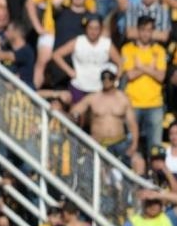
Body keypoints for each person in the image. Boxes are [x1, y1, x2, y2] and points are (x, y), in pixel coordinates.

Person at [70, 65, 141, 166]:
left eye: (110, 77)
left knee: (136, 163)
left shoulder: (123, 99)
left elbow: (132, 124)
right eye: (104, 77)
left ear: (115, 78)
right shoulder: (93, 98)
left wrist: (134, 145)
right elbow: (74, 112)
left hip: (119, 143)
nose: (107, 80)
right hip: (98, 143)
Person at [121, 16, 167, 151]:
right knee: (131, 144)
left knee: (155, 147)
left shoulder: (159, 50)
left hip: (155, 104)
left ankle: (153, 172)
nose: (146, 33)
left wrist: (140, 67)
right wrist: (150, 68)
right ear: (137, 31)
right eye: (142, 30)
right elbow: (130, 75)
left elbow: (161, 77)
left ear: (153, 31)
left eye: (149, 30)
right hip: (133, 103)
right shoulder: (127, 49)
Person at [52, 15, 121, 103]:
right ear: (86, 29)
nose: (93, 31)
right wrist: (70, 71)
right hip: (79, 85)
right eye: (90, 28)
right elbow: (56, 55)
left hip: (99, 87)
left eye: (96, 28)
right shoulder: (78, 41)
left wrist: (114, 81)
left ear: (101, 29)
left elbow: (120, 63)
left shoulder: (106, 44)